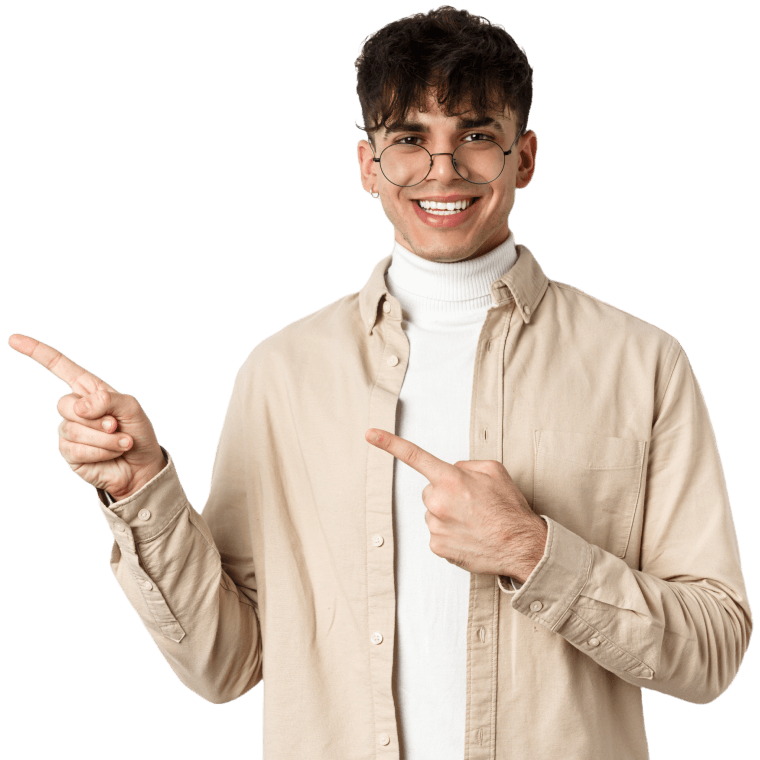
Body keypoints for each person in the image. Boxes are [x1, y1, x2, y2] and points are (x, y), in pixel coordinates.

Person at [8, 6, 752, 759]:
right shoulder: (282, 372)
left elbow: (714, 653)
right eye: (409, 140)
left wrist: (530, 550)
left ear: (524, 158)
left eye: (476, 136)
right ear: (368, 165)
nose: (443, 170)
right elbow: (225, 664)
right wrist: (143, 489)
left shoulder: (642, 362)